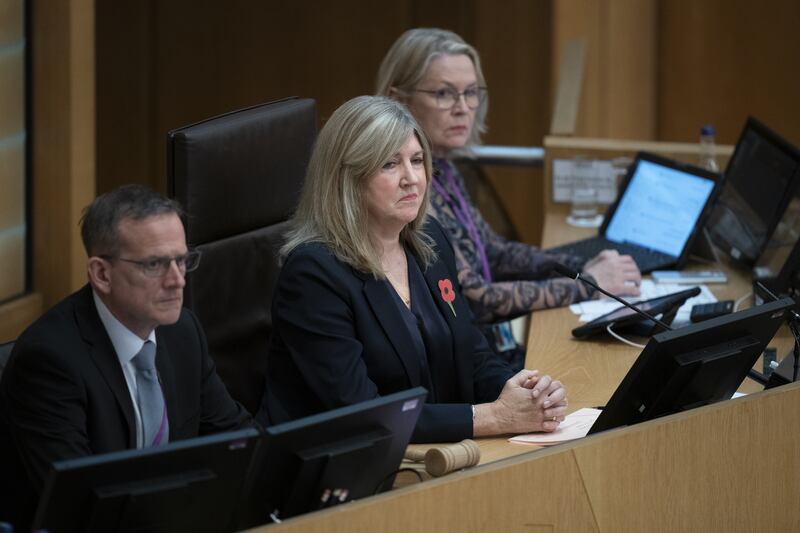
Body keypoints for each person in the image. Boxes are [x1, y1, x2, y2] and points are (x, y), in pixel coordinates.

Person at [257, 95, 567, 444]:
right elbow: (362, 412)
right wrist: (492, 417)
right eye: (389, 164)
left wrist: (524, 392)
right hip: (344, 474)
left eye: (417, 161)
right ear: (346, 179)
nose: (411, 179)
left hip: (432, 450)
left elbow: (470, 351)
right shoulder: (314, 275)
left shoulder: (429, 241)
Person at [376, 28, 642, 361]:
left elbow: (494, 252)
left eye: (471, 92)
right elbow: (476, 299)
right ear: (399, 99)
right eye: (444, 93)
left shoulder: (444, 167)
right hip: (463, 361)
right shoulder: (410, 188)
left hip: (488, 347)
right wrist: (588, 284)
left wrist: (582, 265)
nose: (463, 108)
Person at [0, 185, 252, 528]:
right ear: (102, 274)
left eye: (182, 260)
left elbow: (238, 439)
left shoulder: (181, 332)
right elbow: (78, 506)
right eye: (155, 264)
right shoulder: (49, 361)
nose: (177, 281)